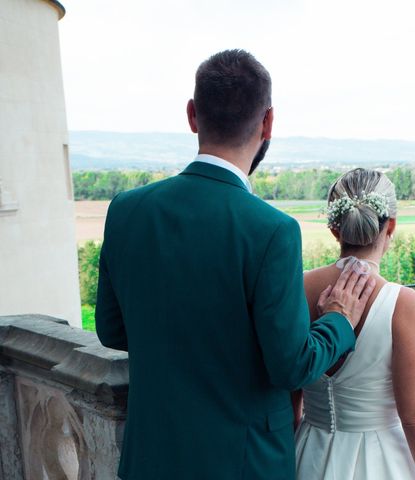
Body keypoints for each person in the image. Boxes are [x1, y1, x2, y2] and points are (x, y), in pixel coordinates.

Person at [95, 50, 375, 480]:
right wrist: (339, 319)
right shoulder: (271, 230)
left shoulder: (126, 210)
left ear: (192, 115)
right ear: (268, 123)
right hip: (243, 465)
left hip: (150, 459)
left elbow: (112, 330)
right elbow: (292, 366)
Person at [294, 168, 415, 479]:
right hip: (381, 463)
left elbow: (288, 397)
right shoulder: (404, 305)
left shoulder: (296, 289)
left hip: (307, 454)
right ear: (390, 226)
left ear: (334, 229)